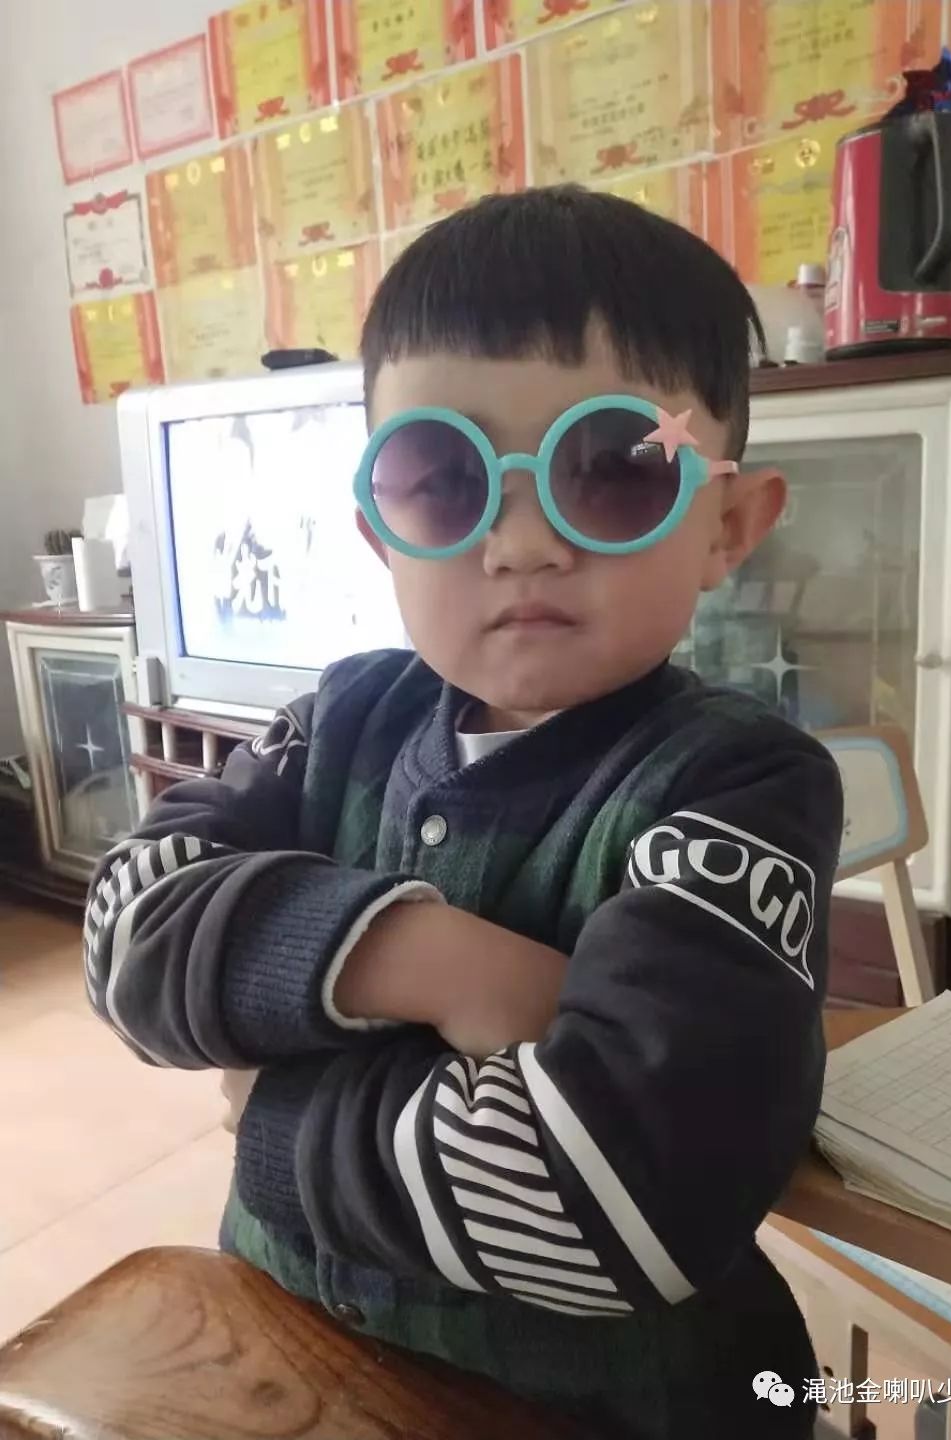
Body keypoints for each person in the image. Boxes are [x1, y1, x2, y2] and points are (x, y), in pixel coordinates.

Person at [84, 186, 842, 1438]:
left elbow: (628, 1198)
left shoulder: (739, 785)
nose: (523, 542)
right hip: (289, 1361)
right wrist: (422, 957)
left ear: (727, 525)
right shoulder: (342, 717)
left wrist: (273, 1112)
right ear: (379, 532)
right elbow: (125, 924)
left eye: (616, 470)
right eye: (444, 480)